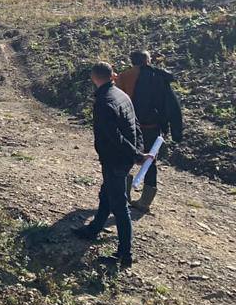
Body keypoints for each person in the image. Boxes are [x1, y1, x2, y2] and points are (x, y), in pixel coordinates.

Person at [72, 61, 145, 268]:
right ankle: (94, 229)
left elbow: (114, 136)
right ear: (111, 75)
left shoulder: (103, 101)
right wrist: (138, 150)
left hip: (115, 159)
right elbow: (135, 124)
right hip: (124, 157)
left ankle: (124, 254)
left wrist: (136, 153)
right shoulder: (122, 95)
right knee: (106, 193)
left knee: (120, 206)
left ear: (94, 78)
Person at [115, 50, 183, 211]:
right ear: (147, 60)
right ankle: (145, 202)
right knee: (150, 161)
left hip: (129, 126)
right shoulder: (158, 76)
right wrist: (176, 132)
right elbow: (173, 105)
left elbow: (116, 101)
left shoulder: (124, 76)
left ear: (132, 61)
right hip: (152, 127)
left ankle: (123, 196)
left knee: (125, 157)